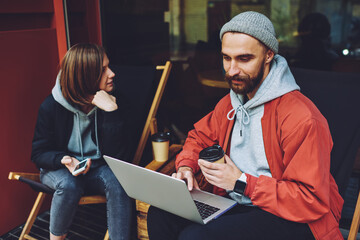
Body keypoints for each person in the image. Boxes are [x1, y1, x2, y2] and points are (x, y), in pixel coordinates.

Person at [147, 11, 343, 240]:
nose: (231, 70)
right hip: (236, 201)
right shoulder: (229, 104)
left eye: (244, 59)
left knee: (195, 237)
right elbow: (198, 137)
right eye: (226, 58)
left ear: (269, 54)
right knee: (159, 213)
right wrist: (186, 167)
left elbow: (311, 200)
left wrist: (241, 182)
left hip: (292, 216)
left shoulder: (302, 118)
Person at [31, 43, 132, 240]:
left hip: (98, 168)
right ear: (85, 76)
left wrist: (111, 114)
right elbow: (38, 154)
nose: (112, 73)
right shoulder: (51, 107)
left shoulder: (114, 101)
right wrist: (65, 160)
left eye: (108, 66)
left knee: (119, 181)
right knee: (69, 185)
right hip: (59, 169)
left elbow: (120, 158)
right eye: (103, 70)